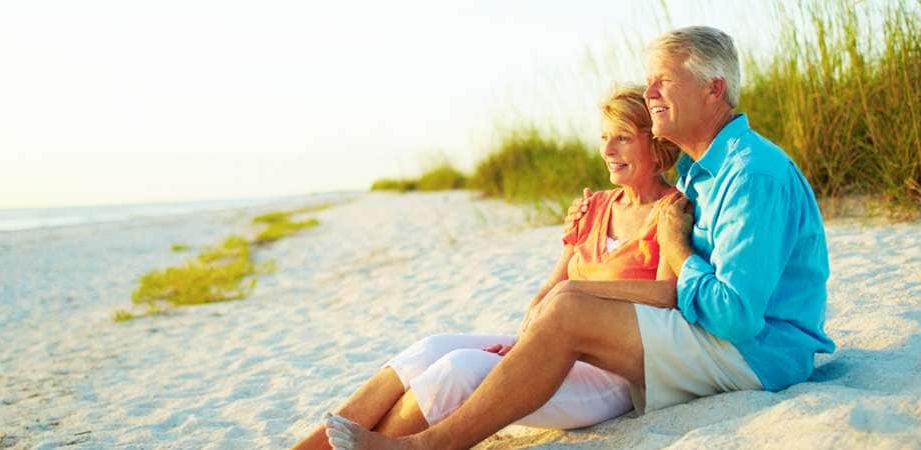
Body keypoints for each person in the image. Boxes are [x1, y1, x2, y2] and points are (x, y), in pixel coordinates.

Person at [321, 26, 836, 450]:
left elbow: (736, 315)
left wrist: (676, 251)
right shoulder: (705, 175)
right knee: (494, 329)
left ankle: (428, 446)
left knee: (561, 312)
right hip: (721, 336)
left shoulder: (752, 175)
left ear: (713, 89)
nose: (650, 93)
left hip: (755, 353)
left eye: (661, 82)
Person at [290, 84, 681, 450]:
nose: (608, 150)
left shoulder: (672, 210)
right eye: (603, 138)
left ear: (657, 143)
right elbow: (550, 288)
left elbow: (666, 296)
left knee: (462, 368)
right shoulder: (594, 206)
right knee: (432, 348)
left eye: (623, 138)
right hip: (550, 347)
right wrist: (528, 343)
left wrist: (570, 299)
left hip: (610, 375)